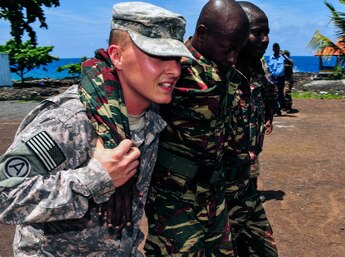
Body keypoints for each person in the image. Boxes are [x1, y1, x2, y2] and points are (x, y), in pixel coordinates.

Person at [0, 2, 193, 256]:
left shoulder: (150, 118)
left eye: (176, 59)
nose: (174, 70)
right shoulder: (69, 122)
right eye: (158, 56)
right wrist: (96, 177)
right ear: (116, 55)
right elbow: (5, 194)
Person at [143, 0, 250, 256]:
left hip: (213, 191)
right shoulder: (172, 67)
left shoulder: (225, 71)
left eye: (239, 50)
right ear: (202, 33)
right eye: (228, 49)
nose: (234, 58)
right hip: (173, 195)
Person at [223, 1, 278, 256]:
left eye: (267, 33)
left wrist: (268, 116)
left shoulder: (256, 71)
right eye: (257, 32)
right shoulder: (214, 75)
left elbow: (266, 96)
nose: (265, 40)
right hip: (215, 195)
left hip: (245, 186)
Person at [267, 42, 291, 115]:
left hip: (280, 79)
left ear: (279, 49)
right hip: (273, 78)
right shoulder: (271, 57)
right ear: (273, 49)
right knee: (273, 94)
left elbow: (290, 62)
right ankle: (274, 110)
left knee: (280, 95)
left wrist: (284, 56)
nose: (276, 50)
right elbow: (268, 67)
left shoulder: (282, 57)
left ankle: (279, 110)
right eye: (275, 48)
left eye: (277, 48)